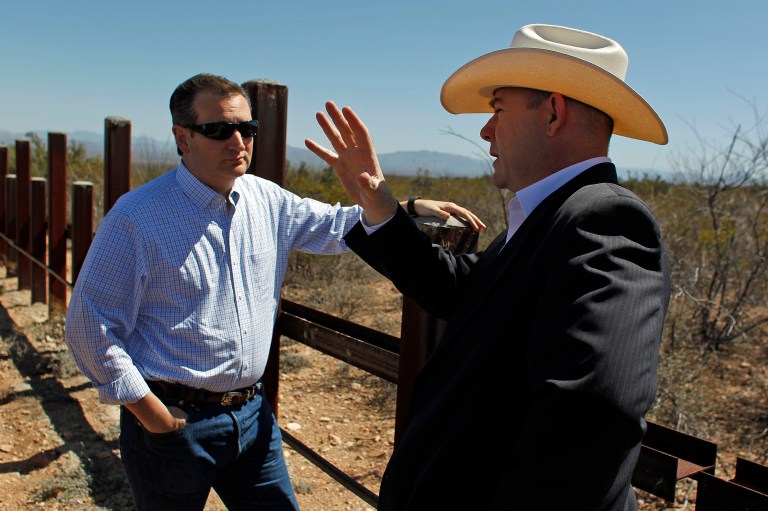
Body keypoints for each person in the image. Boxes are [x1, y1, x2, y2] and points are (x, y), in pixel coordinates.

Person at [64, 73, 484, 511]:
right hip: (174, 422)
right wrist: (153, 414)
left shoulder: (264, 198)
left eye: (247, 129)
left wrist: (407, 208)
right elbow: (89, 327)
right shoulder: (137, 216)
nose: (238, 141)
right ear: (181, 137)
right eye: (218, 130)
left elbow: (336, 226)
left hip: (252, 416)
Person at [305, 24, 671, 510]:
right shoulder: (553, 217)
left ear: (554, 113)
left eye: (498, 108)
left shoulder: (603, 219)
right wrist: (379, 204)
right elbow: (464, 290)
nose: (485, 129)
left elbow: (590, 419)